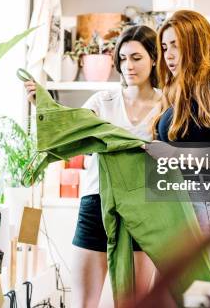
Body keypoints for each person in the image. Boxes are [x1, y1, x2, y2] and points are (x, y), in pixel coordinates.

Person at [24, 25, 161, 307]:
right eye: (122, 59)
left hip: (143, 209)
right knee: (84, 303)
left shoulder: (168, 105)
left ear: (154, 58)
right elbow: (70, 127)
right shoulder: (103, 101)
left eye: (136, 57)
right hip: (96, 203)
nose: (128, 66)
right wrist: (44, 105)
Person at [152, 10, 210, 267]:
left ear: (195, 45)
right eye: (164, 46)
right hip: (189, 207)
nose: (168, 54)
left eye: (176, 45)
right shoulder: (180, 92)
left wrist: (175, 155)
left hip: (207, 206)